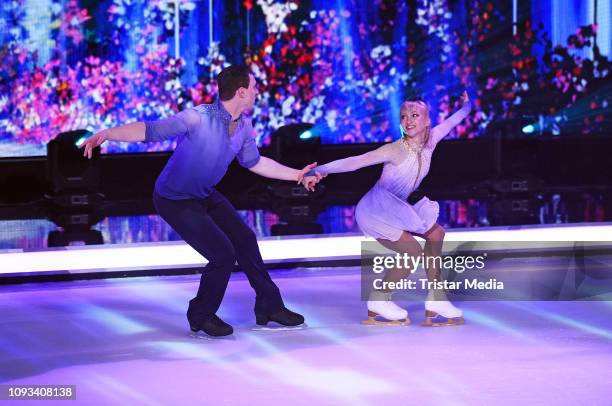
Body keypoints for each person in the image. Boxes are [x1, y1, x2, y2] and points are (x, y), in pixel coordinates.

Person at [82, 65, 320, 337]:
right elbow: (150, 130)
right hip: (175, 199)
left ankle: (269, 304)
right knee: (223, 254)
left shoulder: (244, 125)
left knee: (244, 239)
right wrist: (108, 133)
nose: (256, 92)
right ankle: (200, 314)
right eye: (253, 88)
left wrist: (297, 175)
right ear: (241, 92)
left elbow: (254, 162)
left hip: (205, 193)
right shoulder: (197, 118)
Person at [305, 92, 472, 326]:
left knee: (436, 234)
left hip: (396, 208)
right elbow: (355, 162)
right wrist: (319, 169)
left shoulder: (432, 139)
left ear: (427, 121)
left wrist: (467, 105)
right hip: (375, 210)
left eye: (415, 115)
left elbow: (455, 119)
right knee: (413, 252)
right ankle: (379, 299)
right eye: (403, 116)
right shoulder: (395, 150)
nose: (408, 120)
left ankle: (437, 298)